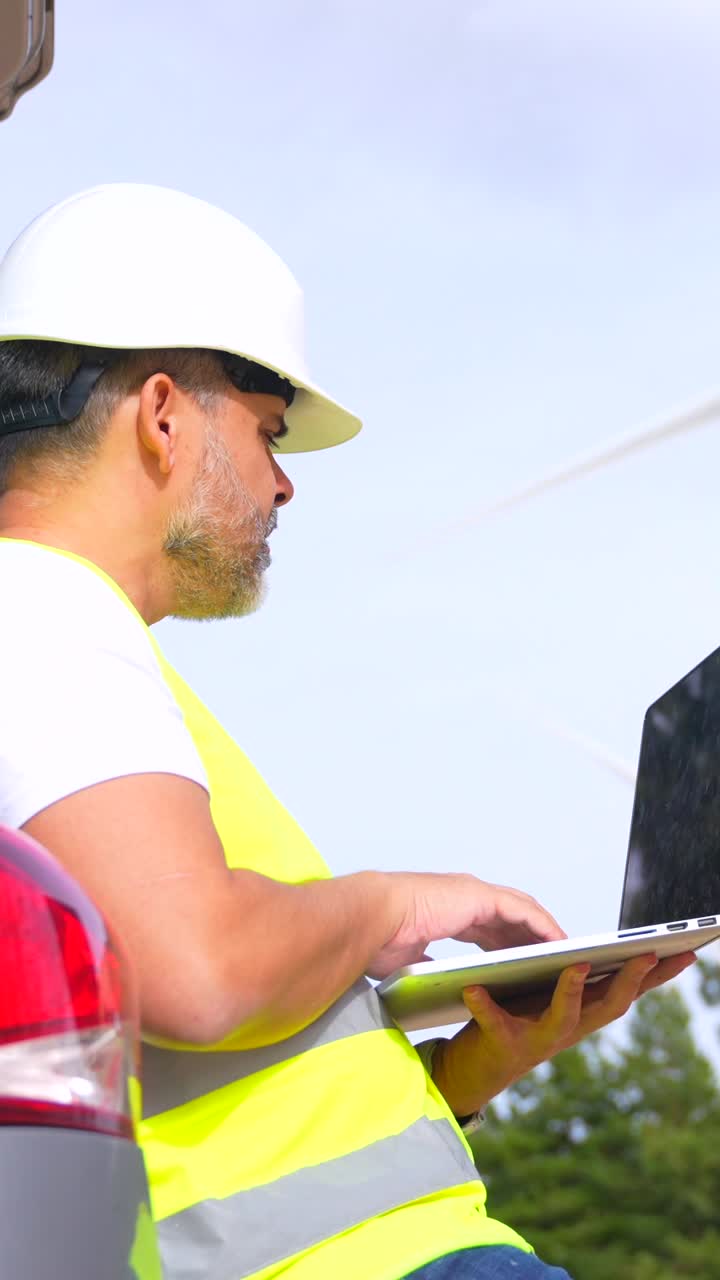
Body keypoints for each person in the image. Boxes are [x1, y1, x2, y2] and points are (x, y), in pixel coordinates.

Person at [0, 184, 693, 1280]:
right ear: (165, 413)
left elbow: (187, 1073)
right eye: (270, 434)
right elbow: (200, 969)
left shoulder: (63, 644)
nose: (283, 484)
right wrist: (392, 901)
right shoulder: (39, 615)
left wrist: (471, 1067)